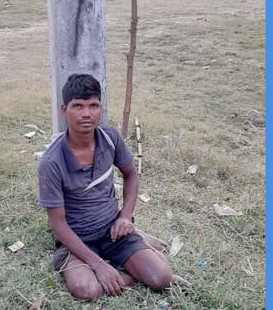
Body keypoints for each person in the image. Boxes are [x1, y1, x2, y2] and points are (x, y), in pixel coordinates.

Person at [37, 73, 174, 300]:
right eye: (78, 106)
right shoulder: (51, 162)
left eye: (93, 106)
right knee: (86, 290)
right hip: (77, 239)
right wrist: (98, 265)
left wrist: (125, 217)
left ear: (100, 108)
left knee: (161, 278)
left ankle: (136, 252)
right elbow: (57, 224)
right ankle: (130, 274)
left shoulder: (110, 138)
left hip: (113, 230)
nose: (86, 114)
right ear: (64, 110)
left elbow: (130, 174)